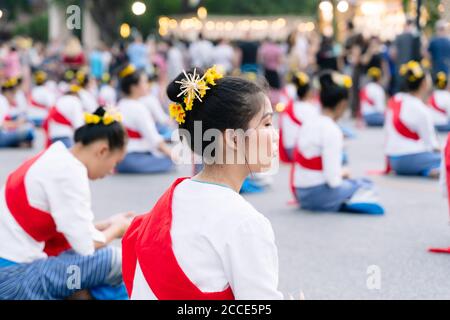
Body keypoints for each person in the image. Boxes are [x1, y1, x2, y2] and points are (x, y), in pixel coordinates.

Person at [122, 66, 283, 300]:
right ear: (233, 139)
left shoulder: (175, 195)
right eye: (267, 124)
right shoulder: (246, 223)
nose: (275, 134)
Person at [0, 107, 134, 299]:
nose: (112, 171)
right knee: (115, 259)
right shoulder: (69, 173)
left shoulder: (56, 156)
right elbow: (85, 246)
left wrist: (106, 225)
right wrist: (118, 229)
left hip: (12, 270)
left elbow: (69, 232)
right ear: (103, 151)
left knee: (90, 272)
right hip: (12, 280)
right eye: (115, 163)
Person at [292, 71, 384, 214]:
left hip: (301, 192)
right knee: (366, 185)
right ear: (342, 104)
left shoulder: (308, 122)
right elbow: (333, 180)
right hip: (317, 194)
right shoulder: (332, 129)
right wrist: (342, 173)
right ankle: (341, 202)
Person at [385, 61, 441, 178]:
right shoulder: (421, 109)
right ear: (424, 83)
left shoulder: (396, 99)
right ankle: (430, 169)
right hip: (409, 158)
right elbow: (431, 145)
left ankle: (427, 170)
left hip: (392, 159)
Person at [116, 64, 174, 174]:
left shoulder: (120, 104)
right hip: (134, 157)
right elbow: (154, 139)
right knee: (169, 162)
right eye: (144, 82)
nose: (148, 86)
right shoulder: (139, 108)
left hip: (120, 158)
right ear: (134, 87)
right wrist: (172, 154)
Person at [279, 72, 319, 163]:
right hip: (300, 152)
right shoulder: (311, 109)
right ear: (308, 92)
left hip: (288, 150)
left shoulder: (289, 107)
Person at [43, 72, 85, 148]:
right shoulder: (75, 100)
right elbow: (79, 125)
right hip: (66, 137)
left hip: (52, 137)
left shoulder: (59, 100)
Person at [0, 78, 34, 148]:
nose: (14, 97)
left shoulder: (4, 100)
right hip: (1, 136)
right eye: (13, 94)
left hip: (4, 133)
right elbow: (2, 125)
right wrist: (17, 124)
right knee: (29, 132)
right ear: (7, 93)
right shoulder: (2, 101)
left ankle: (19, 143)